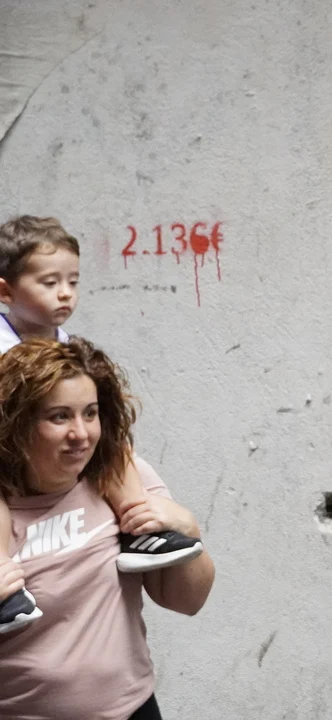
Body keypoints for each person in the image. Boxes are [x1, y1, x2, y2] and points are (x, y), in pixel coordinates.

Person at [0, 216, 202, 634]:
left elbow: (190, 601)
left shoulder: (65, 342)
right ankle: (3, 583)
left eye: (72, 282)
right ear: (5, 292)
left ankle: (139, 528)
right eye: (50, 282)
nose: (65, 293)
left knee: (114, 448)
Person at [0, 337, 215, 719]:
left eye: (90, 413)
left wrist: (187, 525)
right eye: (59, 417)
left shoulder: (119, 480)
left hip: (132, 709)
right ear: (16, 424)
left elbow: (188, 601)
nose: (81, 433)